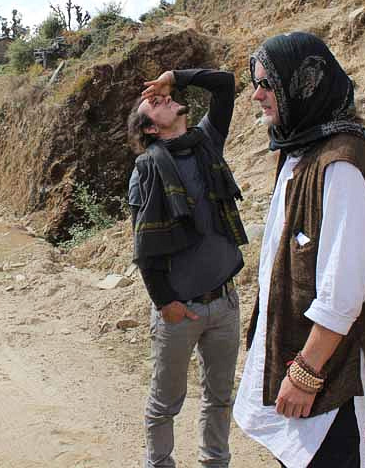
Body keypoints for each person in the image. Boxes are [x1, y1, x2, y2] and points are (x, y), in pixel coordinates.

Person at [233, 32, 365, 468]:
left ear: (303, 85)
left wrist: (306, 373)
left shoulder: (341, 163)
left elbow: (344, 290)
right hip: (298, 354)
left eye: (268, 84)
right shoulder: (299, 150)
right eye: (256, 82)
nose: (257, 95)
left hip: (327, 370)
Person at [127, 67, 248, 468]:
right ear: (150, 130)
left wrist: (174, 77)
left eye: (161, 95)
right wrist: (166, 303)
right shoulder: (146, 170)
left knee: (219, 399)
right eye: (152, 103)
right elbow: (144, 245)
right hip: (180, 311)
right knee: (165, 404)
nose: (160, 97)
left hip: (225, 303)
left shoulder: (206, 143)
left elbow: (225, 85)